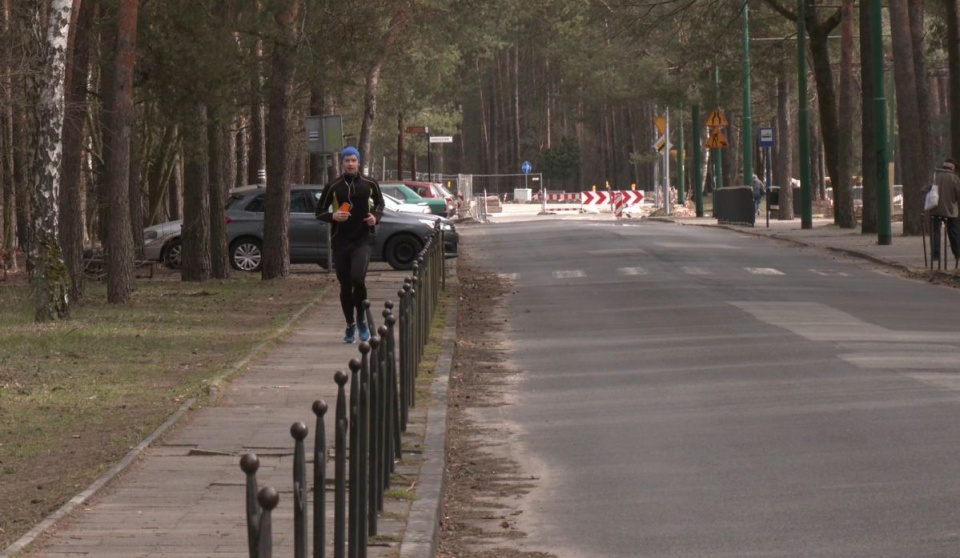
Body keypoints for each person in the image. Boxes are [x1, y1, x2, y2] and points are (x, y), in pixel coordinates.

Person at [315, 146, 385, 343]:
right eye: (347, 160)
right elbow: (319, 211)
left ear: (359, 162)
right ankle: (350, 325)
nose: (351, 164)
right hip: (341, 241)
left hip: (363, 240)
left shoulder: (370, 183)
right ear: (342, 163)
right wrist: (333, 216)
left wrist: (375, 217)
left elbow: (380, 203)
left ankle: (361, 319)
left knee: (358, 280)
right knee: (345, 286)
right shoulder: (333, 185)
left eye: (354, 160)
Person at [924, 158, 960, 265]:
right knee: (952, 232)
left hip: (935, 209)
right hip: (950, 210)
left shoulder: (935, 176)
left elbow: (926, 189)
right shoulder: (955, 178)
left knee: (935, 232)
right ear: (952, 167)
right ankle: (957, 253)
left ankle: (935, 254)